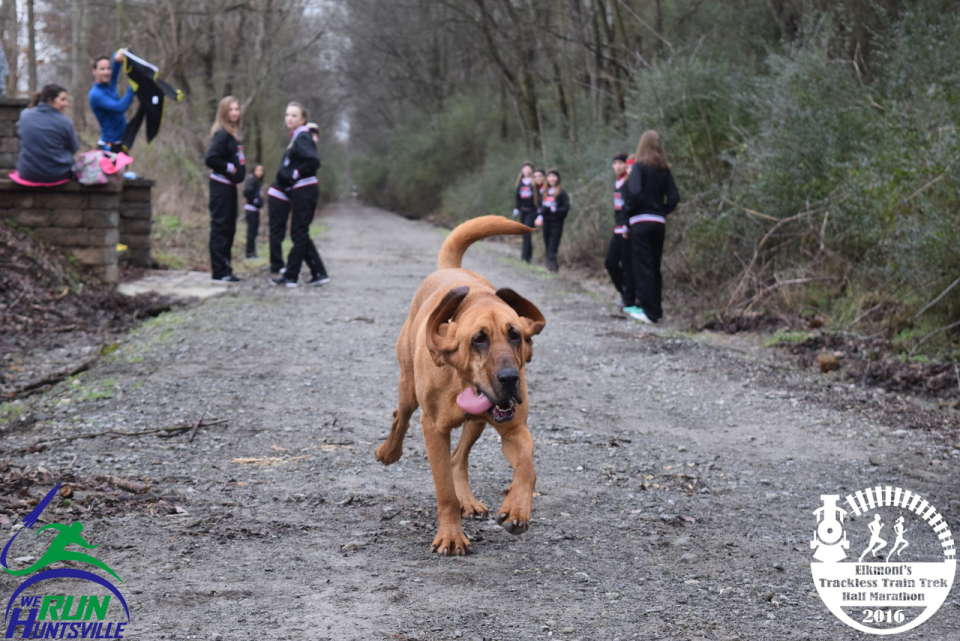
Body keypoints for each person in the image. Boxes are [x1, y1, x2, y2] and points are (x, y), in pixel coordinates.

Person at [622, 130, 679, 324]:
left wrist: (629, 212)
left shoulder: (639, 166)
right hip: (658, 223)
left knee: (643, 266)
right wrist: (661, 211)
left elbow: (635, 193)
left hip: (641, 223)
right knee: (654, 266)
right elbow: (674, 198)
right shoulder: (664, 169)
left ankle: (648, 312)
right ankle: (657, 310)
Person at [271, 104, 329, 288]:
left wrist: (295, 174)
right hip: (301, 190)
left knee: (298, 232)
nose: (289, 118)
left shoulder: (302, 136)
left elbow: (313, 160)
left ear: (303, 119)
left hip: (305, 189)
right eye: (287, 115)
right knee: (300, 232)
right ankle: (319, 272)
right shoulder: (298, 136)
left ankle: (291, 275)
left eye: (294, 115)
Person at [204, 95, 246, 282]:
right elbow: (211, 158)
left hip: (230, 187)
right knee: (220, 226)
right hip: (220, 187)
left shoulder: (232, 135)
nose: (235, 113)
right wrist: (229, 168)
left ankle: (226, 268)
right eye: (231, 109)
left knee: (230, 228)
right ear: (223, 112)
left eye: (237, 109)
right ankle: (219, 271)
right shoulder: (221, 134)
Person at [14, 84, 79, 184]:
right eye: (62, 99)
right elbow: (74, 148)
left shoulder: (25, 115)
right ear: (50, 100)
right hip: (57, 174)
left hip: (27, 173)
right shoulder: (65, 122)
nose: (66, 104)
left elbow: (20, 135)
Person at [605, 153, 635, 310]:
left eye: (620, 163)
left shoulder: (630, 182)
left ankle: (629, 299)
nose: (617, 166)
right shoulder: (616, 183)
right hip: (617, 229)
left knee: (628, 265)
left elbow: (631, 206)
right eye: (614, 163)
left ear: (626, 165)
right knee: (610, 263)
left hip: (628, 230)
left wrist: (627, 225)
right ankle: (624, 292)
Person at [88, 51, 134, 152]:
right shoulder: (95, 94)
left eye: (108, 69)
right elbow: (120, 107)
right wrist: (132, 89)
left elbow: (116, 67)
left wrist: (117, 57)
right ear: (94, 71)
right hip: (109, 148)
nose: (107, 72)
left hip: (121, 144)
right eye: (102, 69)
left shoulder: (109, 84)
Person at [540, 169, 569, 272]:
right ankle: (550, 266)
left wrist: (556, 209)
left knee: (553, 245)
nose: (552, 179)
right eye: (549, 176)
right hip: (546, 222)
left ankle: (552, 268)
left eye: (554, 176)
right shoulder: (545, 192)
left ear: (557, 178)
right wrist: (540, 215)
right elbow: (541, 207)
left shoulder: (562, 192)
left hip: (557, 222)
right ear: (547, 179)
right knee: (547, 244)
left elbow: (566, 208)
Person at [512, 162, 538, 262]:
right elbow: (517, 197)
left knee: (527, 231)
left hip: (532, 211)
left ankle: (525, 257)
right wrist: (516, 208)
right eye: (525, 168)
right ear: (522, 170)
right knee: (524, 233)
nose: (527, 170)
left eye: (528, 168)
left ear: (531, 170)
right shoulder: (520, 182)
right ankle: (527, 255)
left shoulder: (534, 182)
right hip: (523, 211)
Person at [243, 164, 265, 259]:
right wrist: (255, 199)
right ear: (254, 170)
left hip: (255, 209)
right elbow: (247, 192)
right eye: (258, 170)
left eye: (261, 170)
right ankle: (249, 253)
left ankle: (253, 252)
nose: (260, 172)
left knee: (254, 232)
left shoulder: (258, 181)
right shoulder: (251, 179)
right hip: (250, 209)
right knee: (251, 232)